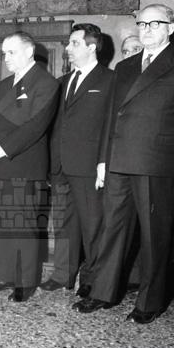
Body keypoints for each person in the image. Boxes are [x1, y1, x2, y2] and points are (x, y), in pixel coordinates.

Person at [73, 4, 174, 324]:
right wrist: (103, 161)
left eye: (154, 24)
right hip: (119, 161)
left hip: (157, 165)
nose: (146, 29)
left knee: (154, 236)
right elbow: (111, 117)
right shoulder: (126, 66)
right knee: (112, 231)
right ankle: (103, 293)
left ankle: (150, 302)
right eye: (142, 24)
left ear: (170, 28)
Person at [0, 32, 59, 301]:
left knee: (23, 226)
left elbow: (35, 126)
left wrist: (0, 149)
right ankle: (4, 275)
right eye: (4, 53)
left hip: (23, 165)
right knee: (1, 225)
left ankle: (25, 282)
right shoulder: (4, 84)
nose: (6, 58)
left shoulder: (46, 83)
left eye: (11, 52)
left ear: (29, 51)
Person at [39, 24, 113, 298]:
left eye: (74, 43)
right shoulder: (61, 82)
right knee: (63, 223)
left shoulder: (110, 80)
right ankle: (63, 275)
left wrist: (103, 163)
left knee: (93, 225)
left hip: (90, 167)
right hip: (61, 166)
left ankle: (93, 279)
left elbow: (111, 128)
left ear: (92, 47)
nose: (67, 48)